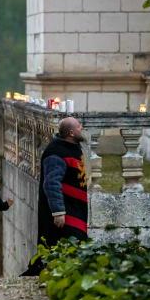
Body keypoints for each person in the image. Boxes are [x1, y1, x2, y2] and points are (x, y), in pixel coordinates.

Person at [24, 117, 89, 276]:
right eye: (79, 126)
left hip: (76, 208)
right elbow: (51, 183)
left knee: (75, 245)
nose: (82, 128)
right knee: (68, 245)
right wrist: (58, 212)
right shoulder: (56, 152)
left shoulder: (72, 147)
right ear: (72, 132)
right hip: (65, 212)